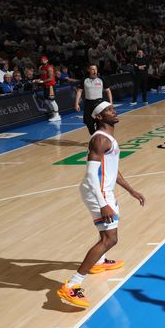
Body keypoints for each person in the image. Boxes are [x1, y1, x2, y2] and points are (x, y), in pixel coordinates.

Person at [57, 102, 146, 307]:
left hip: (104, 190)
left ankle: (98, 262)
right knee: (110, 239)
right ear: (98, 117)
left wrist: (131, 190)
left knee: (106, 233)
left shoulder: (109, 139)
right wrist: (103, 203)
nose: (114, 112)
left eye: (113, 109)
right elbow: (90, 175)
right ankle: (72, 285)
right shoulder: (99, 139)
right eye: (109, 110)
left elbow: (112, 169)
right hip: (97, 191)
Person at [75, 64, 113, 135]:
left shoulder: (101, 79)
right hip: (88, 104)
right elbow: (79, 91)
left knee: (100, 122)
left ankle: (99, 137)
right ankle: (94, 136)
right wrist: (76, 103)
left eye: (95, 69)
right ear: (88, 70)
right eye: (92, 69)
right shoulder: (84, 80)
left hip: (99, 103)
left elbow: (108, 91)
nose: (94, 71)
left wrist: (111, 102)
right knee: (89, 123)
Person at [37, 56, 61, 122]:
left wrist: (42, 81)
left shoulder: (49, 67)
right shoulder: (41, 67)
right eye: (41, 60)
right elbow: (43, 77)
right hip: (45, 86)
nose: (42, 60)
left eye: (44, 60)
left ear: (47, 60)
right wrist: (38, 80)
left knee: (52, 100)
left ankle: (57, 115)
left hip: (50, 86)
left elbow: (50, 78)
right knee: (47, 101)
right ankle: (54, 113)